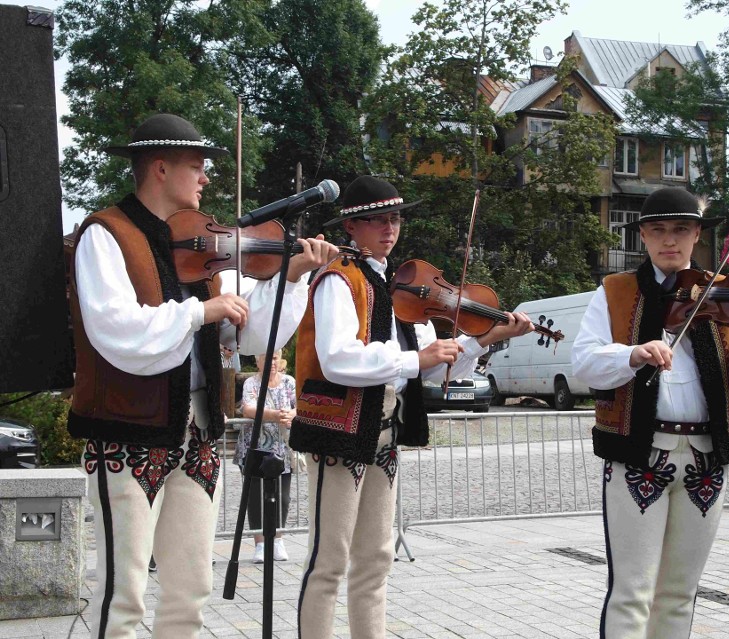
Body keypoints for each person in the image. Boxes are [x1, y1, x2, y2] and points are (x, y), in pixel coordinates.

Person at [66, 113, 337, 639]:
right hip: (127, 432)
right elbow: (116, 330)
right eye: (197, 166)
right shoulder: (105, 235)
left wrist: (295, 275)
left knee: (190, 592)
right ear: (161, 169)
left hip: (200, 430)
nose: (207, 178)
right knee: (122, 597)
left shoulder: (208, 244)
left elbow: (251, 333)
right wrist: (199, 314)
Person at [288, 175, 535, 639]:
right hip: (338, 431)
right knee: (328, 560)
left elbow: (436, 366)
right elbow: (338, 358)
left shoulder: (402, 292)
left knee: (377, 558)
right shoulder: (337, 280)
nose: (388, 228)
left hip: (384, 435)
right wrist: (413, 358)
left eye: (395, 218)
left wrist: (485, 339)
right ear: (352, 227)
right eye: (376, 219)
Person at [571, 187, 729, 639]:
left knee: (680, 590)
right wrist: (633, 353)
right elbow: (583, 363)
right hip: (639, 451)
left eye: (681, 230)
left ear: (696, 236)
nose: (669, 240)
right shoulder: (615, 290)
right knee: (632, 588)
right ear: (644, 237)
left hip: (706, 454)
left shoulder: (725, 291)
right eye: (658, 230)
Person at [235, 348, 296, 563]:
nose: (271, 362)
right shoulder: (251, 383)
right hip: (256, 446)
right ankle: (260, 544)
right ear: (258, 362)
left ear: (281, 361)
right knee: (256, 496)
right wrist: (275, 415)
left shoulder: (289, 381)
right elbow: (248, 409)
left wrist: (291, 414)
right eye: (266, 359)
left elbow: (298, 407)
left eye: (275, 358)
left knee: (283, 497)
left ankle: (278, 540)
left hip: (283, 446)